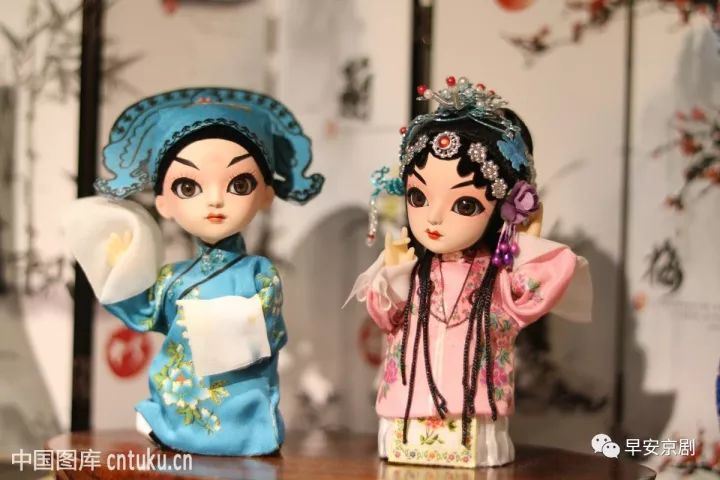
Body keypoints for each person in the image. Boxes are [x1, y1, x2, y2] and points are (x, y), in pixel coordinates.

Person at [64, 88, 324, 456]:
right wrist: (123, 266)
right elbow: (141, 307)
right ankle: (168, 424)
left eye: (239, 184)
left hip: (243, 403)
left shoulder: (259, 274)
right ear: (164, 203)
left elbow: (267, 332)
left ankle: (237, 431)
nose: (215, 200)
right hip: (180, 403)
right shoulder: (171, 278)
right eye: (189, 187)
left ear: (266, 195)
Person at [348, 76, 591, 468]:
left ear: (501, 209)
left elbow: (538, 289)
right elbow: (384, 317)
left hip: (473, 419)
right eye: (418, 197)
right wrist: (395, 274)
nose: (434, 217)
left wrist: (526, 240)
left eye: (464, 204)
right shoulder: (410, 267)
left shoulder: (497, 278)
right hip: (405, 410)